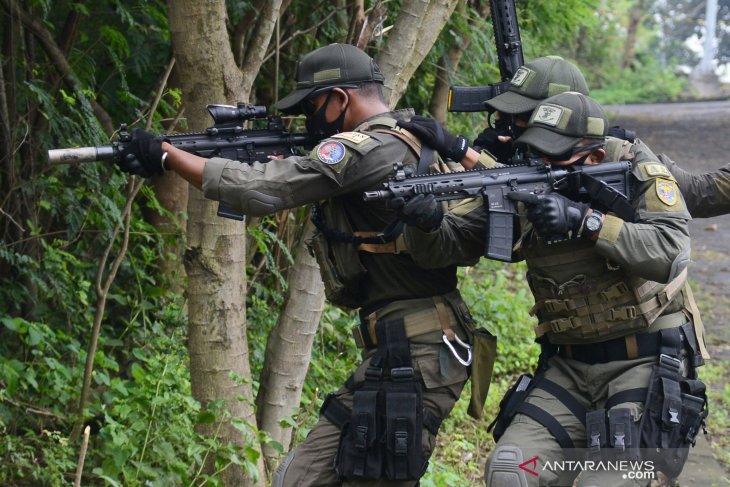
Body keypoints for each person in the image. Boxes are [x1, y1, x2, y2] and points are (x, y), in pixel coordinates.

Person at [114, 43, 491, 486]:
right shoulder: (403, 137)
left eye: (313, 106)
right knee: (299, 477)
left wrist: (168, 156)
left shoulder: (375, 146)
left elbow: (267, 190)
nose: (310, 119)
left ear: (340, 99)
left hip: (422, 350)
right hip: (398, 348)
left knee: (371, 475)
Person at [394, 92, 709, 486]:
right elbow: (448, 246)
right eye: (537, 153)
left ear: (593, 157)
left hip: (643, 364)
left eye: (555, 155)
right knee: (511, 471)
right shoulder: (528, 182)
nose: (543, 164)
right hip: (569, 369)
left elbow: (671, 252)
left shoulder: (634, 169)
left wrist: (586, 221)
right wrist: (425, 223)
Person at [471, 55, 589, 165]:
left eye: (524, 116)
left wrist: (468, 156)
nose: (514, 124)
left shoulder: (592, 164)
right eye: (511, 115)